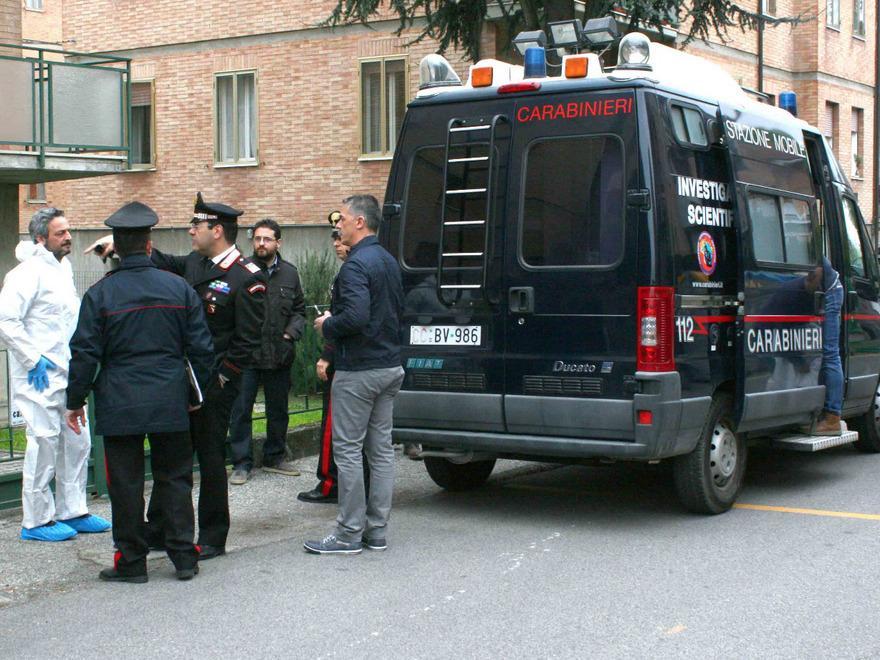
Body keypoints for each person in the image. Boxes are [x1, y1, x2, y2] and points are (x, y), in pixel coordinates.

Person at [89, 192, 266, 560]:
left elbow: (247, 342)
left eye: (196, 226)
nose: (190, 231)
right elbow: (161, 259)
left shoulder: (245, 277)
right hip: (184, 381)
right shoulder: (197, 263)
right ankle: (161, 529)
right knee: (175, 461)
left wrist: (221, 381)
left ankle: (214, 536)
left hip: (214, 383)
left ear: (216, 230)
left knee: (212, 460)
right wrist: (120, 243)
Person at [65, 202, 214, 583]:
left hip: (120, 401)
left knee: (126, 485)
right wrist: (196, 394)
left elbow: (84, 353)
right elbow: (201, 349)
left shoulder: (100, 295)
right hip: (170, 397)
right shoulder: (178, 288)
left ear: (116, 246)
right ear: (149, 245)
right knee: (175, 478)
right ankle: (184, 557)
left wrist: (75, 400)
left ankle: (132, 562)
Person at [0, 207, 110, 542]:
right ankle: (36, 521)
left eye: (68, 231)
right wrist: (33, 360)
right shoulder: (26, 274)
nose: (68, 237)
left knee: (77, 441)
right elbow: (7, 320)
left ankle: (72, 510)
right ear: (40, 238)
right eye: (60, 233)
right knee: (44, 443)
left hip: (68, 371)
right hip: (40, 376)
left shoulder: (63, 269)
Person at [304, 195, 404, 555]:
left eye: (343, 218)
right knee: (380, 452)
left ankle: (348, 533)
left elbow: (356, 318)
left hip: (360, 370)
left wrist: (327, 323)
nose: (338, 225)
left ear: (360, 221)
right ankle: (376, 531)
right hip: (389, 366)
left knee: (347, 451)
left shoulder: (356, 265)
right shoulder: (389, 260)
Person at [228, 218, 305, 485]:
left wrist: (289, 334)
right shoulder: (241, 270)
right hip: (246, 355)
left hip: (278, 353)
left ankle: (275, 456)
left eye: (267, 239)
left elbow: (299, 310)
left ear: (278, 242)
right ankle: (241, 463)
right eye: (257, 239)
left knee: (278, 409)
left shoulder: (290, 273)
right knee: (240, 410)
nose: (261, 244)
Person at [297, 220, 350, 504]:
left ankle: (330, 483)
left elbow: (345, 320)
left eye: (340, 240)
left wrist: (327, 355)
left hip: (344, 360)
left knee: (333, 423)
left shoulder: (352, 273)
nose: (336, 246)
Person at [809, 257, 845, 436]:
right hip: (829, 289)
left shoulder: (805, 237)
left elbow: (817, 272)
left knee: (830, 354)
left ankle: (833, 418)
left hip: (830, 293)